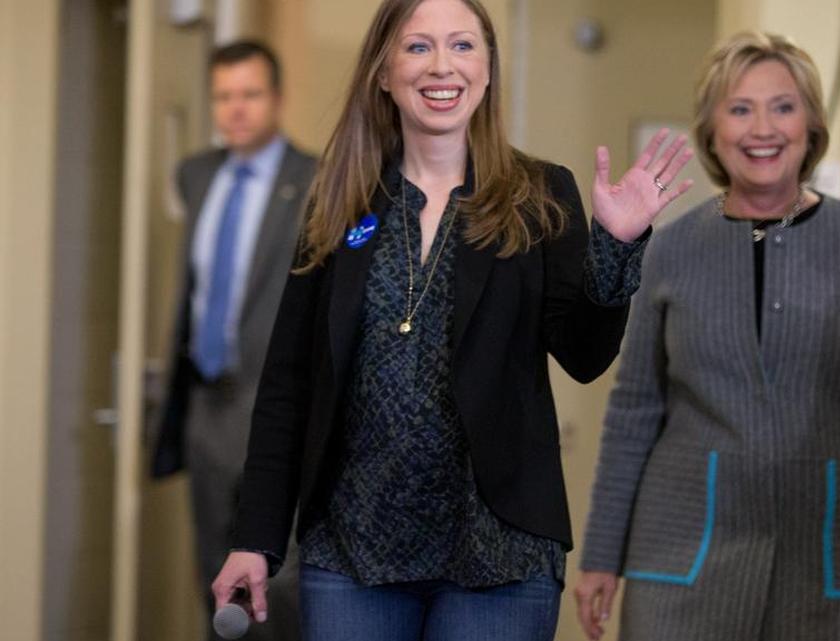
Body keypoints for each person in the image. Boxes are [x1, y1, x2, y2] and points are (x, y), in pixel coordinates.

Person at [209, 1, 692, 639]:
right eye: (417, 47)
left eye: (463, 45)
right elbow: (288, 386)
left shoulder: (538, 194)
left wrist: (617, 246)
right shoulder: (338, 199)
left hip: (499, 554)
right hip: (353, 553)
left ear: (488, 69)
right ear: (383, 71)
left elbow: (584, 354)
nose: (443, 66)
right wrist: (258, 539)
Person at [574, 32, 840, 641]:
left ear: (810, 124)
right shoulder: (671, 249)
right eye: (740, 109)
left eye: (783, 106)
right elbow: (634, 410)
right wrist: (602, 552)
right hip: (686, 560)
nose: (763, 128)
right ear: (711, 131)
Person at [150, 40, 316, 641]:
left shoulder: (315, 181)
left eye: (249, 94)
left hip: (274, 412)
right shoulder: (196, 175)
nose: (235, 109)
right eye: (223, 96)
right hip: (207, 408)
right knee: (213, 586)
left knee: (276, 588)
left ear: (276, 98)